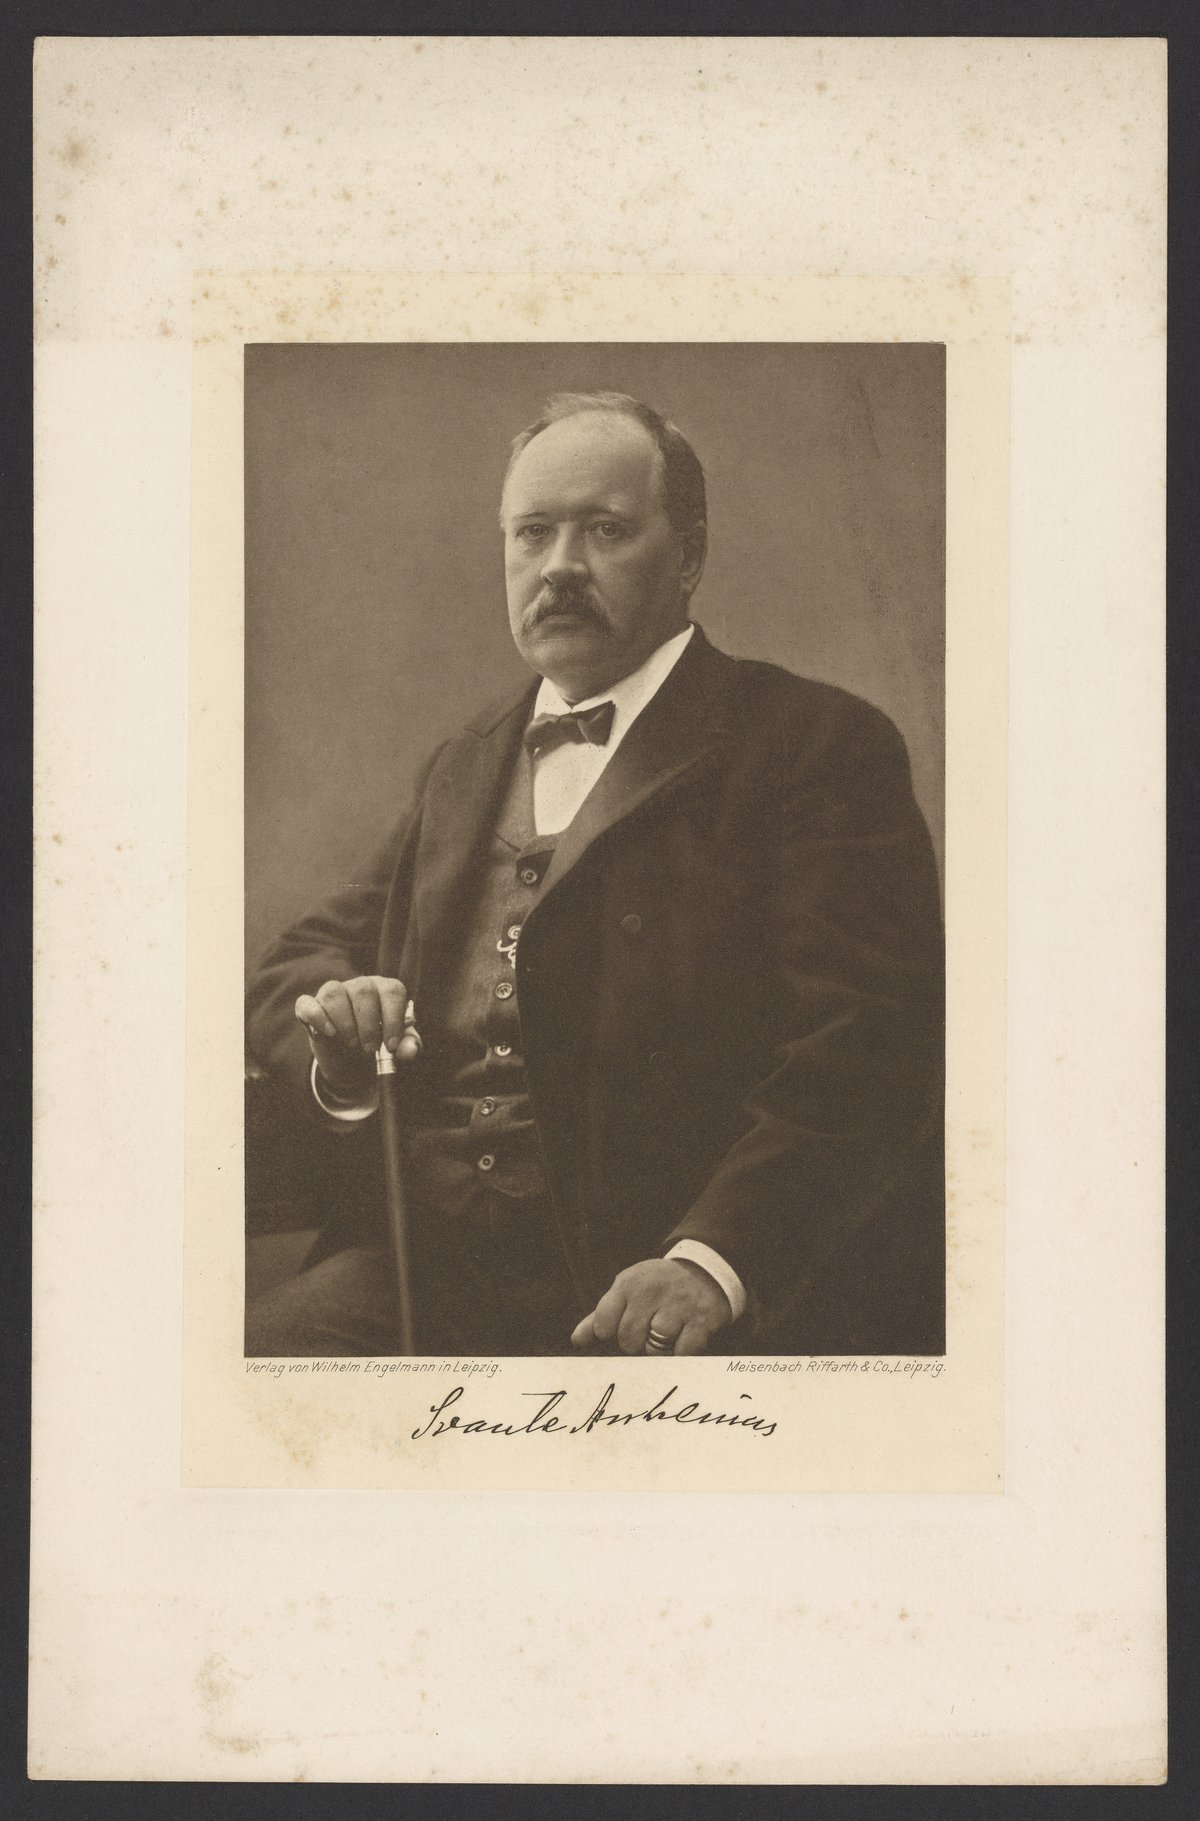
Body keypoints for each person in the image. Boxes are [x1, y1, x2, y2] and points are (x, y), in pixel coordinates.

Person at [244, 390, 944, 1359]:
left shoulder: (812, 746)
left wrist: (711, 1260)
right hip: (423, 1277)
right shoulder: (464, 767)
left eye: (605, 530)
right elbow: (300, 961)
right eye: (532, 533)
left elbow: (870, 1045)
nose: (560, 567)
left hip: (652, 1280)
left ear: (688, 556)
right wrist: (342, 1028)